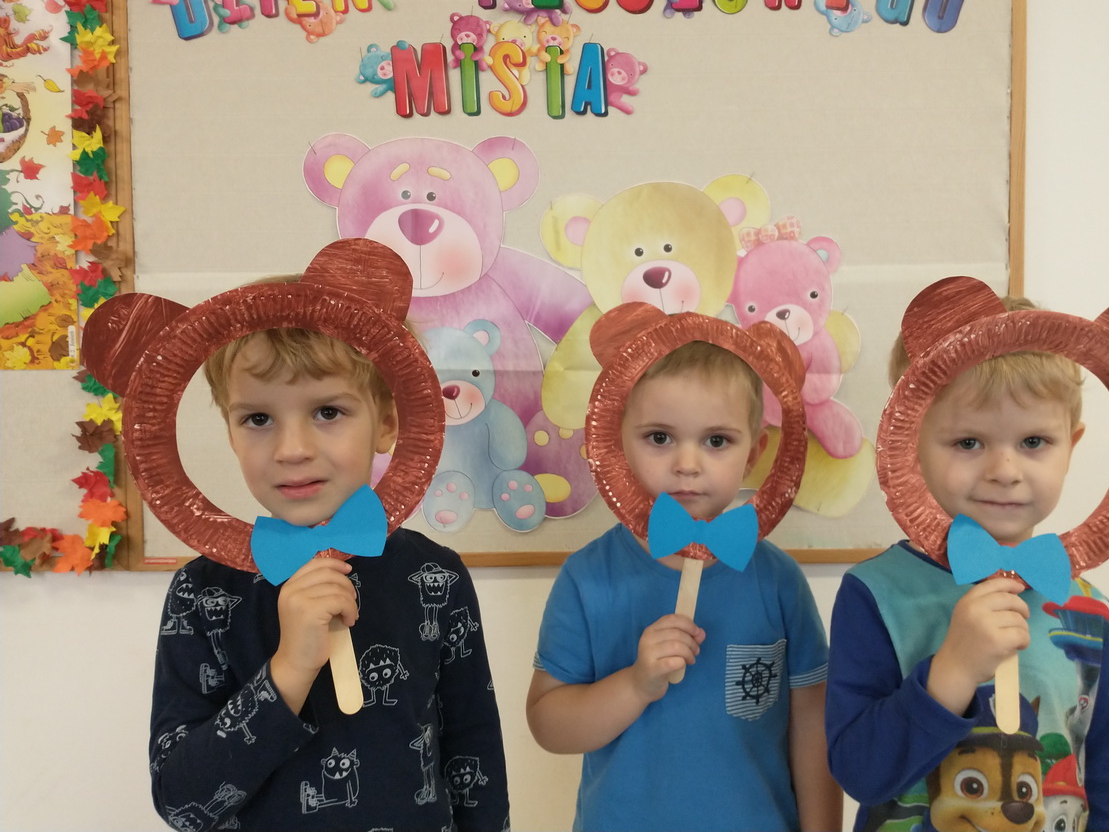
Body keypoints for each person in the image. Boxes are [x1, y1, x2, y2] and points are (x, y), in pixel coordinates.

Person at [148, 321, 509, 831]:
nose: (292, 448)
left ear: (386, 421)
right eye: (257, 418)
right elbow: (182, 804)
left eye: (328, 412)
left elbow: (474, 755)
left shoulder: (438, 575)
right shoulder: (201, 592)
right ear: (230, 434)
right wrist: (288, 670)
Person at [825, 297, 1109, 831]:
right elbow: (860, 773)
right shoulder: (875, 594)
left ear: (1071, 446)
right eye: (969, 442)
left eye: (1034, 441)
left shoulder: (1092, 612)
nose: (1004, 469)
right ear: (910, 443)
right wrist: (950, 673)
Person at [527, 340, 842, 832]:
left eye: (717, 440)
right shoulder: (587, 578)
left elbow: (813, 726)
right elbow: (549, 726)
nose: (687, 464)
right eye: (660, 437)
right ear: (618, 441)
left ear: (755, 452)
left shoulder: (780, 581)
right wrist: (634, 685)